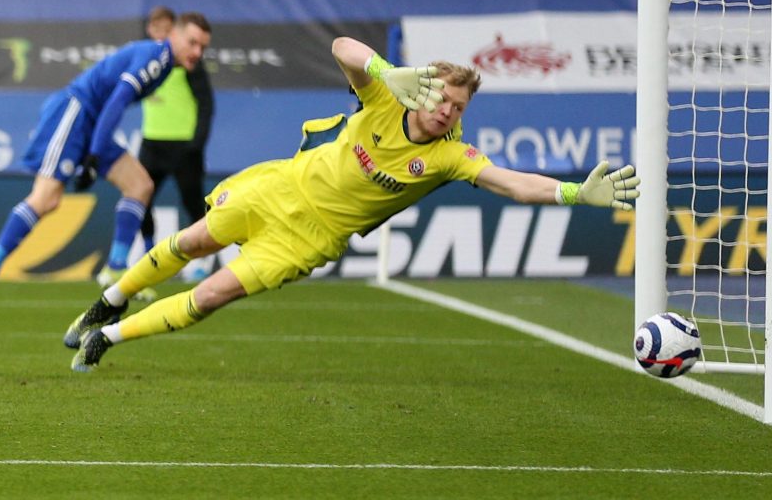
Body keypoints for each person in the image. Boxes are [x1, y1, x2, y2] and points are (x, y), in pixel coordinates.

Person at [62, 36, 641, 372]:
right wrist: (388, 71)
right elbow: (341, 47)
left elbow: (512, 183)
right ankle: (106, 303)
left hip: (310, 238)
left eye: (458, 107)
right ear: (425, 89)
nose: (447, 111)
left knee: (213, 294)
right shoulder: (386, 97)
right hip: (280, 188)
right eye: (443, 98)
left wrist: (573, 192)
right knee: (193, 240)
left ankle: (109, 339)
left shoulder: (449, 156)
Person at [0, 12, 213, 317]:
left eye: (202, 47)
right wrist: (94, 155)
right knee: (46, 198)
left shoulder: (164, 63)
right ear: (173, 35)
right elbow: (117, 100)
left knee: (140, 186)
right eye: (192, 43)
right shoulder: (157, 57)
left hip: (92, 122)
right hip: (75, 112)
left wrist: (95, 151)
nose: (197, 52)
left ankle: (116, 268)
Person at [134, 5, 215, 285]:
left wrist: (197, 142)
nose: (161, 34)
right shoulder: (146, 60)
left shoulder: (189, 64)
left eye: (166, 29)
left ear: (173, 32)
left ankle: (202, 261)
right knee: (139, 200)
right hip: (152, 143)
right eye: (156, 29)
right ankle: (149, 256)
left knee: (194, 206)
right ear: (150, 30)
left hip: (184, 147)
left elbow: (206, 104)